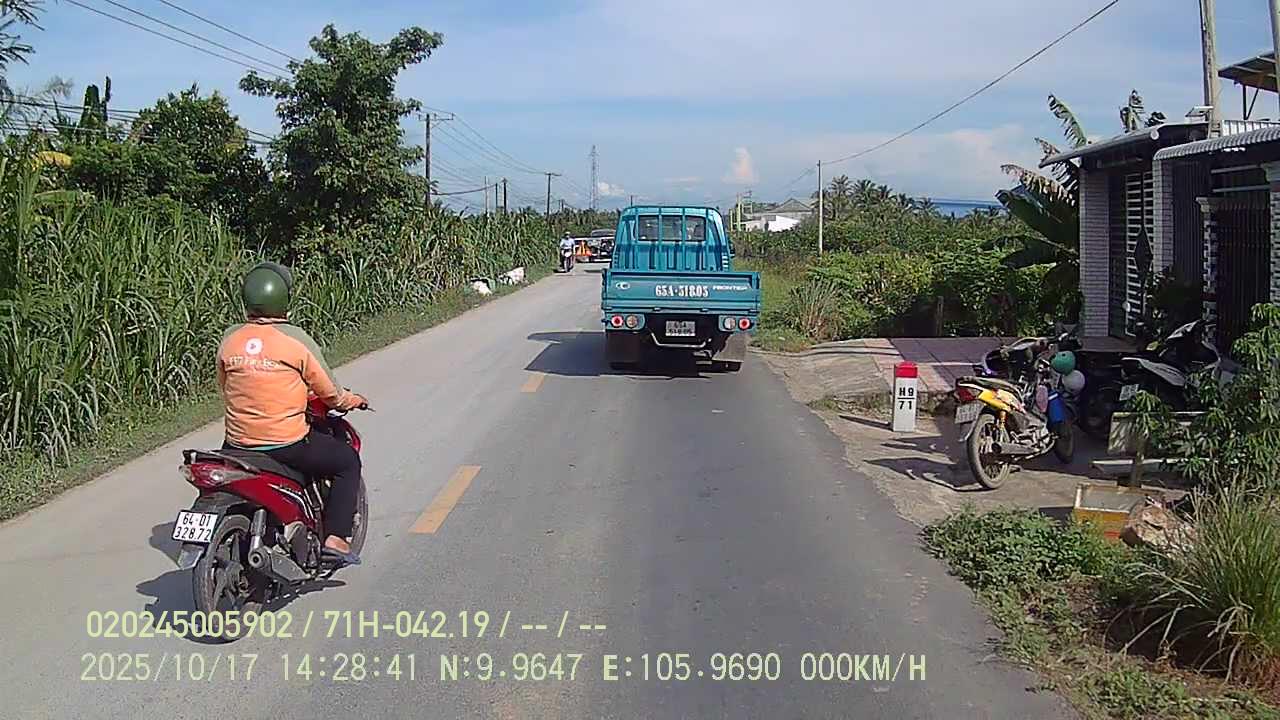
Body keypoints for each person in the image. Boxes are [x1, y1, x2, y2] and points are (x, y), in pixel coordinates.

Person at [217, 261, 370, 566]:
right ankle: (336, 538)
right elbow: (330, 393)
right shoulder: (295, 340)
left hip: (236, 444)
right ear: (284, 299)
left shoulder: (230, 338)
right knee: (346, 461)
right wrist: (351, 400)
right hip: (285, 444)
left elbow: (224, 385)